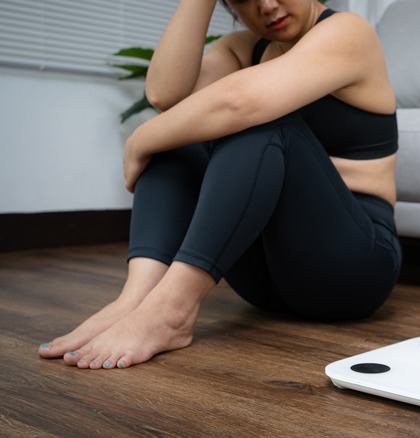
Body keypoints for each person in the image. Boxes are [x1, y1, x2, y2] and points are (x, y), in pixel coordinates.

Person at [38, 0, 401, 370]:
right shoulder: (242, 48)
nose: (267, 5)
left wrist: (139, 138)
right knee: (182, 131)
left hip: (353, 267)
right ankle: (137, 298)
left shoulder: (348, 31)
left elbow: (240, 102)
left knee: (261, 122)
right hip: (266, 282)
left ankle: (172, 311)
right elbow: (167, 96)